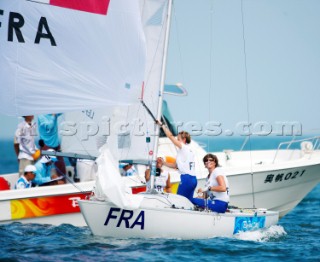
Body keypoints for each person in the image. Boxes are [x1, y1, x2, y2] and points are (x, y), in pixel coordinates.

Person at [156, 121, 197, 201]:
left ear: (184, 140)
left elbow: (170, 137)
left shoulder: (184, 147)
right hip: (193, 179)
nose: (177, 141)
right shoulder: (187, 150)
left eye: (178, 139)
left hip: (187, 179)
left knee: (179, 201)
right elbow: (175, 166)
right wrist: (163, 163)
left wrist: (162, 125)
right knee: (188, 202)